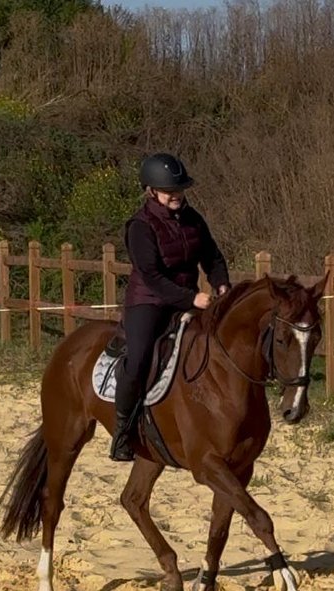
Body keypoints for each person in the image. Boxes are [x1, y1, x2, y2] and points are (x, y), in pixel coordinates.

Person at [110, 153, 231, 462]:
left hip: (187, 298)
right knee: (137, 360)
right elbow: (151, 276)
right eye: (169, 191)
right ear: (152, 191)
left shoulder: (193, 219)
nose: (176, 196)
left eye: (179, 190)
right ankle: (122, 432)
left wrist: (221, 285)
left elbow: (213, 257)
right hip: (148, 302)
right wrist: (191, 299)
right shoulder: (140, 226)